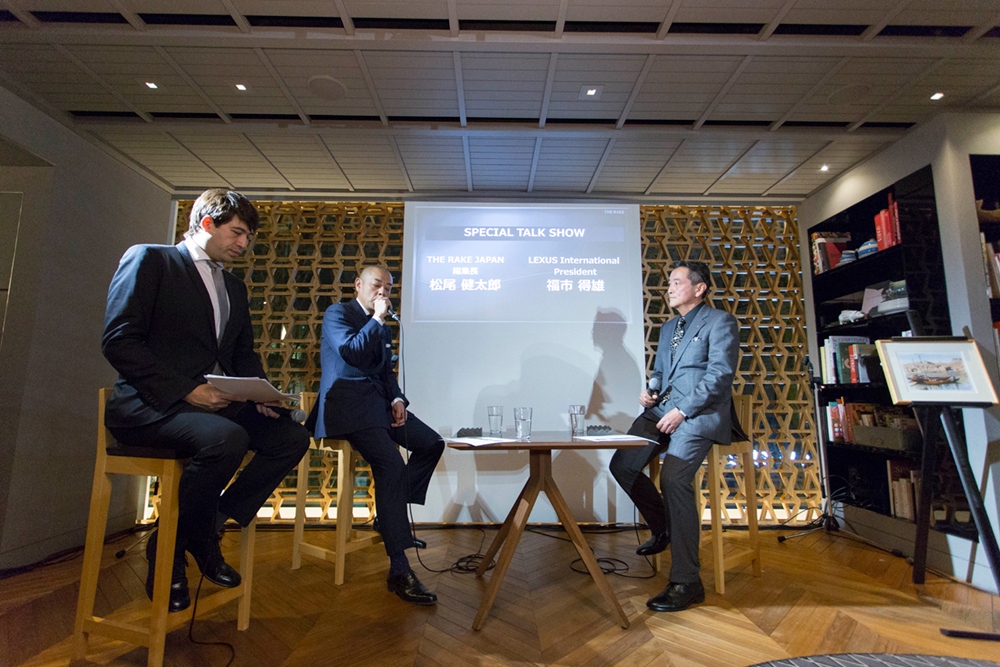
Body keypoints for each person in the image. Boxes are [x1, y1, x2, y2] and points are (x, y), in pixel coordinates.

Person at [102, 188, 311, 613]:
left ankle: (200, 527)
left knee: (291, 438)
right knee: (226, 438)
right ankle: (173, 554)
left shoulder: (233, 285)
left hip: (213, 407)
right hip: (151, 406)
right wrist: (186, 389)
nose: (244, 244)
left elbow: (242, 355)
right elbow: (119, 341)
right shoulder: (151, 260)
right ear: (207, 224)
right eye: (237, 233)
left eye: (249, 237)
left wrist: (261, 393)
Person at [609, 260, 742, 612]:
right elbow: (660, 371)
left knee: (673, 479)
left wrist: (683, 410)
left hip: (698, 414)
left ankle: (687, 582)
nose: (668, 288)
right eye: (668, 282)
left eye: (676, 282)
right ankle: (664, 527)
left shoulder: (721, 322)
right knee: (622, 465)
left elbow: (720, 375)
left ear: (699, 288)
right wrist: (650, 392)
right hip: (662, 411)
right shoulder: (669, 327)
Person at [311, 266, 445, 605]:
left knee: (432, 443)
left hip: (380, 406)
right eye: (376, 285)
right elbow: (351, 352)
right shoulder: (338, 313)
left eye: (388, 287)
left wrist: (397, 399)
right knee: (391, 465)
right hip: (347, 408)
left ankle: (388, 517)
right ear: (358, 284)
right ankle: (399, 569)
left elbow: (386, 372)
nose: (383, 292)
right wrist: (376, 319)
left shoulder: (380, 325)